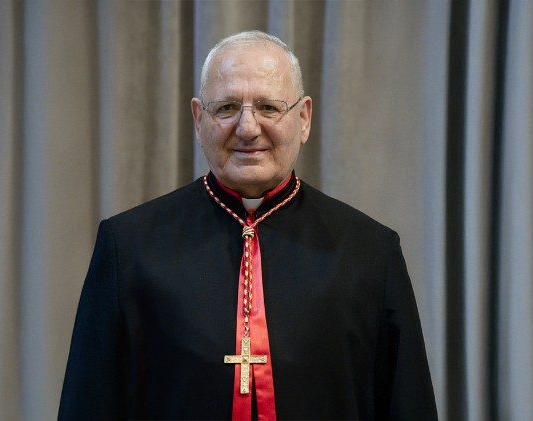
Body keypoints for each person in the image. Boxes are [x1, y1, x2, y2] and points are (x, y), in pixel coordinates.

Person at [58, 30, 437, 420]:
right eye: (226, 108)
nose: (248, 128)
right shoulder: (128, 248)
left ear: (304, 118)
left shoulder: (370, 252)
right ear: (198, 119)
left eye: (269, 107)